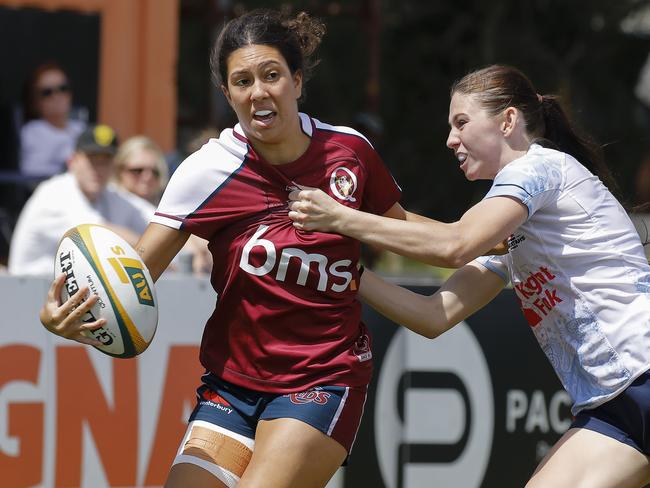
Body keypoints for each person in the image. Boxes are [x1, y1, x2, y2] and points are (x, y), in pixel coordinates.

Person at [38, 9, 405, 488]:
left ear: (296, 81)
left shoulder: (349, 152)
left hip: (321, 381)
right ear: (227, 94)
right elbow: (133, 275)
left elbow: (405, 231)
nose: (259, 91)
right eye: (242, 81)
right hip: (231, 389)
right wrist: (67, 317)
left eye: (272, 75)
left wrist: (481, 238)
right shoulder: (207, 170)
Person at [288, 65, 650, 488]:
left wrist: (339, 218)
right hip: (614, 408)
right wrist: (344, 274)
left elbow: (453, 244)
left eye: (461, 122)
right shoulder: (511, 230)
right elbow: (433, 317)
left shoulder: (537, 168)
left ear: (508, 121)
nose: (450, 139)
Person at [9, 124, 153, 276]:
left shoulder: (108, 194)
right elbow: (97, 234)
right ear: (73, 161)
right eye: (92, 160)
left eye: (105, 161)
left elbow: (150, 216)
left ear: (114, 166)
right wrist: (154, 250)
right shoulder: (55, 191)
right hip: (28, 290)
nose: (99, 168)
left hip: (66, 290)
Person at [19, 62, 86, 178]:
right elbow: (31, 176)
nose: (57, 96)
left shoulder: (81, 128)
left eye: (63, 88)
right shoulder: (33, 131)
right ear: (34, 101)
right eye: (47, 92)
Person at [114, 135, 169, 205]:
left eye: (154, 172)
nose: (148, 177)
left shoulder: (167, 211)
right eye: (138, 170)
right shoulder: (105, 209)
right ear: (119, 171)